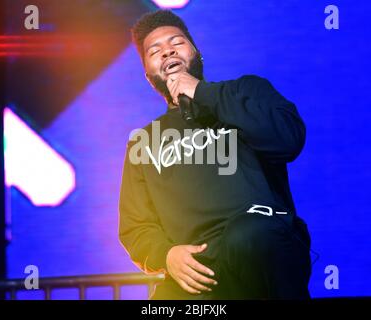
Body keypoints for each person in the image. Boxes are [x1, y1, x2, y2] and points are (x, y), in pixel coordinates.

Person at [118, 10, 312, 299]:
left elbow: (287, 138)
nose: (167, 50)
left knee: (250, 237)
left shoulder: (246, 91)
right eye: (155, 50)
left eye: (177, 42)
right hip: (198, 271)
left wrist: (203, 93)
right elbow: (135, 225)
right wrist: (166, 254)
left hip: (260, 243)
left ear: (198, 54)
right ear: (149, 77)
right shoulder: (143, 142)